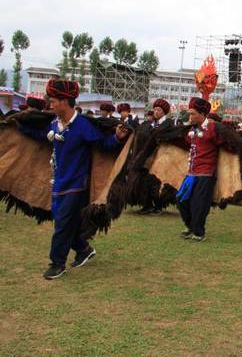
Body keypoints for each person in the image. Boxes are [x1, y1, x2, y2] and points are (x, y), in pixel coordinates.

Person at [18, 79, 130, 280]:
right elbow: (39, 135)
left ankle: (57, 263)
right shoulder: (53, 124)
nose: (50, 104)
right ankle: (84, 249)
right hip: (58, 182)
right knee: (67, 223)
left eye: (53, 101)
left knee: (62, 223)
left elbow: (103, 144)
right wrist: (16, 124)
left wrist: (117, 138)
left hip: (76, 185)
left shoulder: (83, 125)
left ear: (64, 101)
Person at [177, 97, 234, 242]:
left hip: (206, 173)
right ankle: (190, 225)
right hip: (191, 172)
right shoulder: (191, 129)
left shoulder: (213, 128)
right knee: (180, 199)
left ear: (202, 114)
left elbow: (227, 144)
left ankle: (199, 232)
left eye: (193, 114)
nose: (190, 117)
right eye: (189, 114)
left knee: (199, 204)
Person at [135, 98, 174, 214]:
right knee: (144, 181)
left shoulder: (168, 124)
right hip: (147, 158)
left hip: (161, 157)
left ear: (164, 112)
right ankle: (147, 205)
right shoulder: (150, 124)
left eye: (159, 110)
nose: (156, 112)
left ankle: (158, 206)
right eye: (155, 109)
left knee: (156, 183)